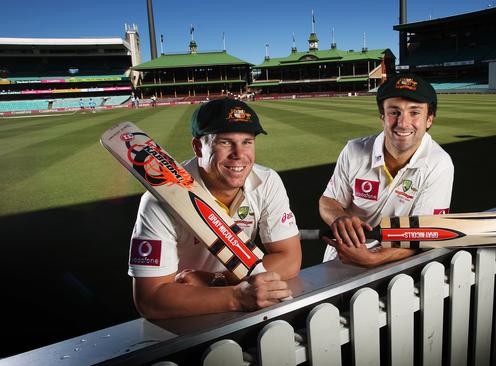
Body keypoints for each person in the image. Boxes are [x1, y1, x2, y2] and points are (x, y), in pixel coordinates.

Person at [129, 98, 302, 319]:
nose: (239, 154)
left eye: (247, 142)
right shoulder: (160, 200)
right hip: (186, 312)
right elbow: (150, 300)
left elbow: (290, 259)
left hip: (240, 304)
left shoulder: (266, 181)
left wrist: (216, 280)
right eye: (225, 142)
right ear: (198, 147)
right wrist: (235, 297)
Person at [319, 73, 454, 267]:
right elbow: (328, 200)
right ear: (382, 116)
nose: (403, 123)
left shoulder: (439, 164)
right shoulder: (354, 150)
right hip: (341, 255)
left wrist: (373, 258)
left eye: (414, 113)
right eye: (394, 112)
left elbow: (426, 233)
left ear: (429, 119)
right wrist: (339, 217)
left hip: (394, 266)